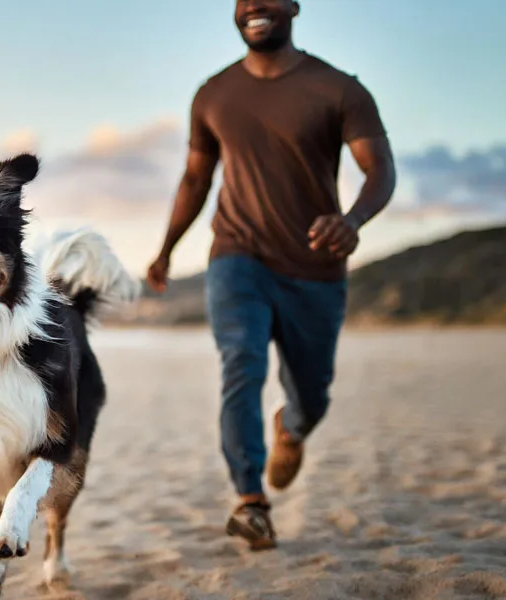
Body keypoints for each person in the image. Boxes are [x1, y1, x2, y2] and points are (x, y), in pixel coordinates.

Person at [146, 0, 396, 550]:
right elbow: (195, 178)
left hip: (315, 265)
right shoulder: (213, 94)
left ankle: (294, 426)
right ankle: (250, 501)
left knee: (314, 393)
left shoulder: (338, 89)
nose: (255, 6)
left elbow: (379, 168)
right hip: (237, 254)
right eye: (244, 0)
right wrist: (165, 249)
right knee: (242, 361)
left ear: (293, 8)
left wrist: (352, 220)